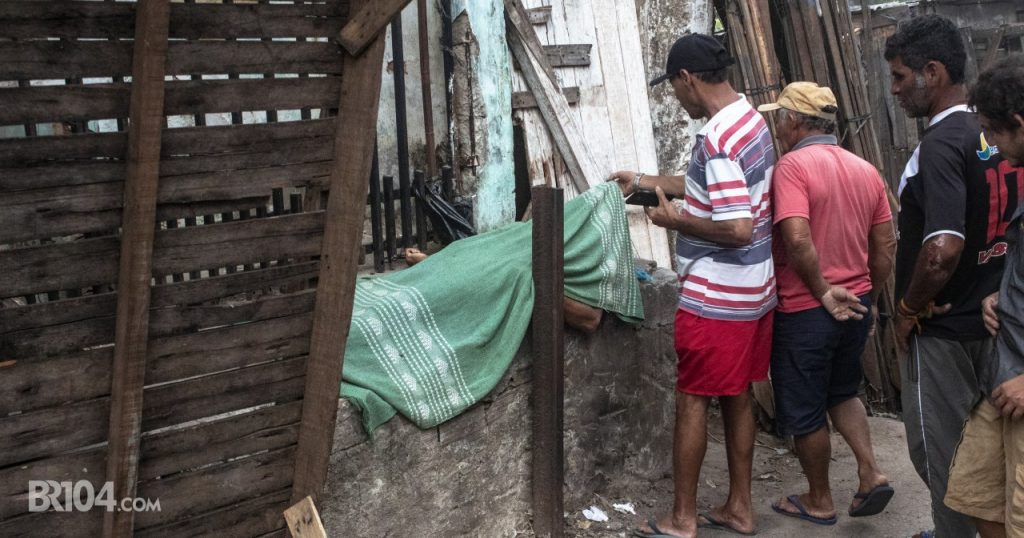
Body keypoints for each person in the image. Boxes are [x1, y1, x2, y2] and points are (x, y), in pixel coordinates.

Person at [609, 33, 774, 538]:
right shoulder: (749, 121)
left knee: (693, 399)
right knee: (738, 394)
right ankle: (740, 507)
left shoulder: (718, 140)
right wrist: (643, 180)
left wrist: (675, 223)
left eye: (674, 89)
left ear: (687, 79)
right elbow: (713, 187)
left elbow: (736, 226)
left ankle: (682, 519)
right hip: (754, 291)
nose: (676, 100)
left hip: (716, 298)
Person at [885, 15, 1022, 538]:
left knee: (940, 454)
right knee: (989, 451)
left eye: (900, 77)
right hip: (994, 322)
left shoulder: (942, 144)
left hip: (942, 330)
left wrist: (906, 309)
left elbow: (941, 249)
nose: (895, 90)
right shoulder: (991, 137)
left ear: (933, 73)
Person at [754, 82, 897, 526]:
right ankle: (870, 472)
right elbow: (886, 246)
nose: (777, 126)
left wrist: (820, 292)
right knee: (843, 390)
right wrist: (869, 299)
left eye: (779, 118)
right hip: (853, 304)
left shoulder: (792, 167)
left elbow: (796, 237)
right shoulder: (865, 169)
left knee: (804, 408)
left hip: (806, 310)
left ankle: (819, 499)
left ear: (794, 122)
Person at [945, 55, 1024, 538]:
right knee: (975, 491)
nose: (989, 145)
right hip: (1003, 375)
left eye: (993, 132)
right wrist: (1005, 294)